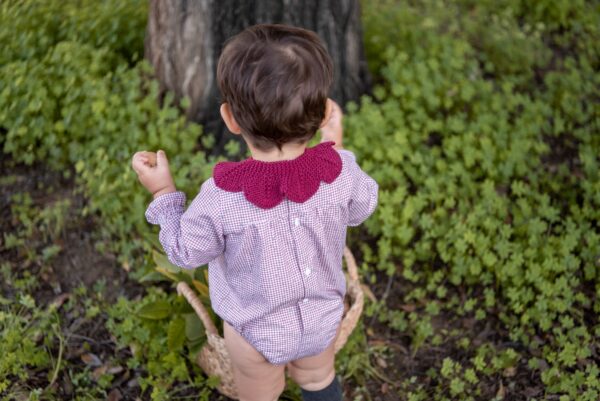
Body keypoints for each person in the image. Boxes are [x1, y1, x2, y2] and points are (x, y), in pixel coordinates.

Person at [132, 24, 378, 401]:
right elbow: (362, 206)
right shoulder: (340, 172)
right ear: (324, 111)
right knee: (318, 381)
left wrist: (164, 192)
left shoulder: (222, 198)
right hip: (321, 319)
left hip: (255, 334)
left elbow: (185, 252)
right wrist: (336, 148)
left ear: (230, 119)